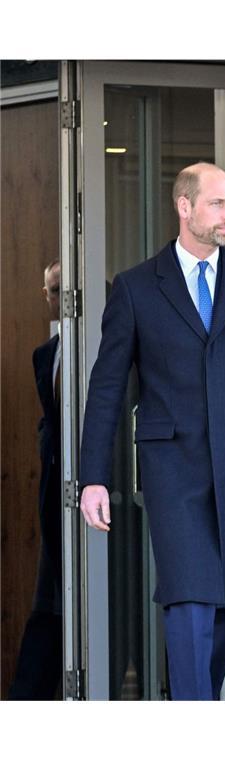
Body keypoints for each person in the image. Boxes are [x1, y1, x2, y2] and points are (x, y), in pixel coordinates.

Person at [78, 162, 225, 700]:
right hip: (173, 468)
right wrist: (93, 477)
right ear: (184, 207)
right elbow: (108, 386)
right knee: (189, 596)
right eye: (217, 204)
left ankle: (186, 701)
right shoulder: (137, 288)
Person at [7, 260, 64, 699]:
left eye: (64, 289)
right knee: (48, 604)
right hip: (55, 499)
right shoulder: (44, 355)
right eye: (52, 290)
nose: (59, 298)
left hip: (110, 496)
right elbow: (50, 419)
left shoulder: (109, 348)